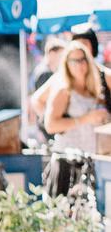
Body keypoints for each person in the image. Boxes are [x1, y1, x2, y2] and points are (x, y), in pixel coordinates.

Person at [43, 41, 107, 194]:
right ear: (67, 64)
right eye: (74, 60)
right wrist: (85, 119)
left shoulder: (94, 90)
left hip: (90, 162)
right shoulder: (63, 90)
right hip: (68, 162)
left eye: (82, 59)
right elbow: (50, 125)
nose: (80, 65)